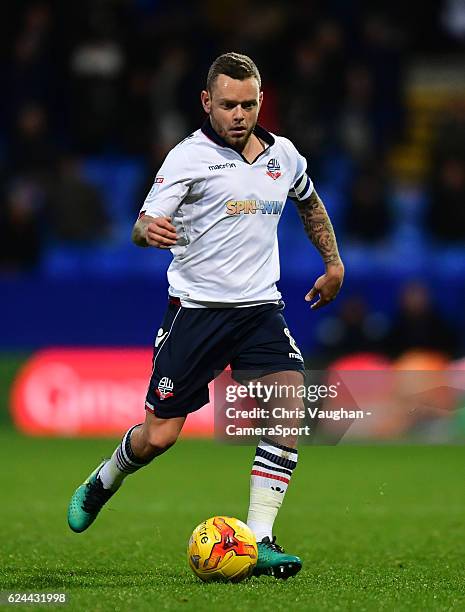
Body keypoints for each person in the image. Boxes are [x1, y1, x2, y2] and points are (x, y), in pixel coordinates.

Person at [67, 53, 344, 579]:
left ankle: (260, 538)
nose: (239, 114)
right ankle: (104, 479)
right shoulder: (186, 158)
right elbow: (141, 225)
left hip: (260, 309)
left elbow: (309, 202)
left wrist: (333, 263)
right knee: (159, 437)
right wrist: (148, 232)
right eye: (228, 105)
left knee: (287, 402)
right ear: (206, 103)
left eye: (248, 103)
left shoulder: (283, 155)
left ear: (261, 100)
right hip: (196, 312)